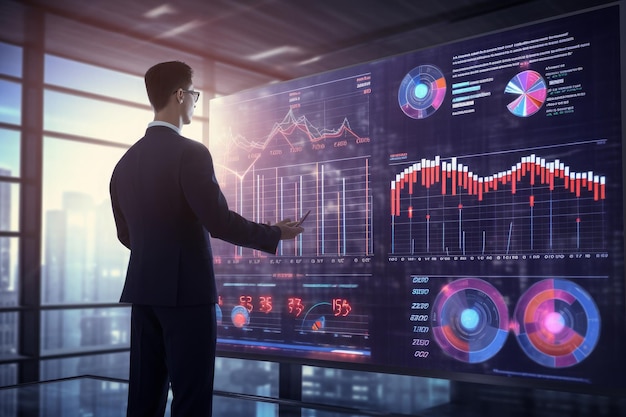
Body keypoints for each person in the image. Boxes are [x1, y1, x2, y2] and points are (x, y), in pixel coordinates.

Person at [109, 61, 304, 417]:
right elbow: (219, 222)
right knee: (192, 399)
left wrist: (159, 249)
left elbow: (127, 235)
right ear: (180, 95)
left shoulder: (124, 163)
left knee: (143, 399)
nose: (195, 103)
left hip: (143, 293)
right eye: (194, 95)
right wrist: (274, 233)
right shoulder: (191, 153)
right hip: (187, 295)